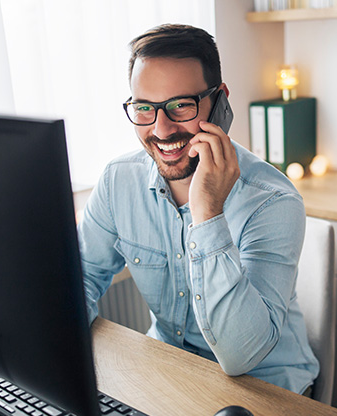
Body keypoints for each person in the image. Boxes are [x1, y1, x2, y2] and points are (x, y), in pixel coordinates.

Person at [78, 24, 319, 395]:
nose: (161, 129)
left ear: (220, 101)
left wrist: (207, 211)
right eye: (144, 108)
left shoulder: (272, 200)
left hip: (267, 385)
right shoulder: (117, 181)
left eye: (180, 105)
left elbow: (241, 357)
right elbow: (82, 275)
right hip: (171, 369)